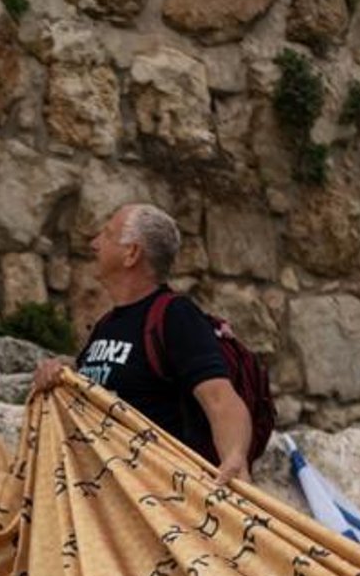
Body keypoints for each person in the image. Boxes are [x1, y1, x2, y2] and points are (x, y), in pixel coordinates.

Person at [32, 203, 252, 484]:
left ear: (131, 253)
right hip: (110, 491)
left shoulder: (175, 316)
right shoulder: (106, 325)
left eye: (108, 235)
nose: (95, 243)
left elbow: (221, 399)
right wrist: (59, 373)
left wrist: (234, 457)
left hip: (161, 494)